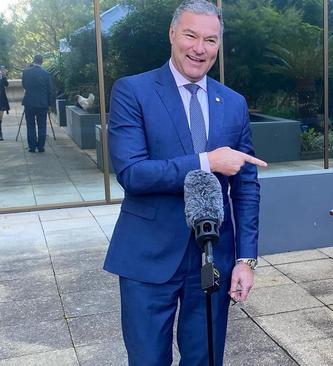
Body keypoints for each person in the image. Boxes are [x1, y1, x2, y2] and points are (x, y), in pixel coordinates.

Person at [103, 1, 267, 364]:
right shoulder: (133, 91)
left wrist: (245, 259)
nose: (199, 48)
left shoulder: (234, 103)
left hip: (212, 258)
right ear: (172, 35)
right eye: (190, 35)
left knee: (206, 359)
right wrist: (207, 162)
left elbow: (246, 187)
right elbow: (132, 173)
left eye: (210, 40)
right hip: (147, 258)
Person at [21, 55, 53, 152]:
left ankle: (32, 147)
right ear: (42, 62)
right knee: (42, 125)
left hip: (29, 103)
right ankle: (40, 147)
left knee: (30, 125)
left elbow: (24, 85)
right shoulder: (46, 74)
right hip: (42, 103)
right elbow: (50, 90)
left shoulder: (26, 72)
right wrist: (50, 104)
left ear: (33, 61)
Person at [0, 66, 10, 141]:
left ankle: (0, 133)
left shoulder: (2, 78)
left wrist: (4, 76)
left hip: (1, 99)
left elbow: (6, 84)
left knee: (0, 118)